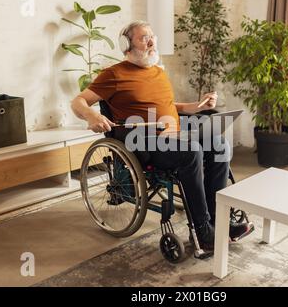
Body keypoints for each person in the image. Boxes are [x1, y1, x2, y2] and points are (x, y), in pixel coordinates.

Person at [70, 20, 254, 252]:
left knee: (218, 144)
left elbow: (169, 106)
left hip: (174, 133)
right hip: (143, 142)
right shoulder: (113, 74)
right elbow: (78, 101)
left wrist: (197, 105)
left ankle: (217, 222)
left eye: (152, 36)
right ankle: (203, 231)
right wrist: (90, 116)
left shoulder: (157, 71)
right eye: (143, 37)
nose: (151, 41)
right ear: (127, 45)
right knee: (191, 152)